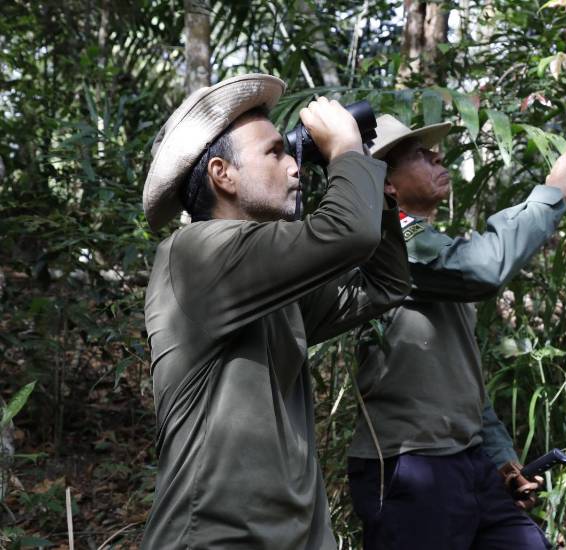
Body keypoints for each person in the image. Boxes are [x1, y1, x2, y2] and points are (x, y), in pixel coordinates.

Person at [140, 74, 410, 549]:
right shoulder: (194, 254)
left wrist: (369, 177)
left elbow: (383, 286)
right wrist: (345, 148)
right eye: (275, 152)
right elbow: (348, 234)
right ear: (222, 174)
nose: (296, 167)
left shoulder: (269, 285)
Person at [347, 114, 566, 549]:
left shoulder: (433, 246)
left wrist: (501, 459)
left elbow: (462, 374)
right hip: (410, 465)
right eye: (420, 155)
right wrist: (552, 194)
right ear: (387, 184)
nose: (437, 157)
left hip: (467, 463)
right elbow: (484, 269)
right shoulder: (386, 243)